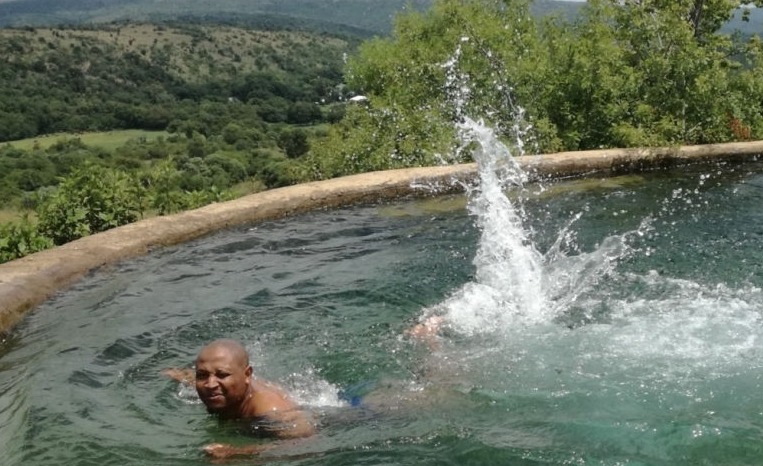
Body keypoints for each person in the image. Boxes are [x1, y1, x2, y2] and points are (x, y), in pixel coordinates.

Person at [163, 339, 315, 459]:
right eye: (202, 375)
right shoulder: (217, 386)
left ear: (247, 375)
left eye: (222, 375)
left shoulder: (269, 410)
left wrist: (237, 452)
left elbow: (304, 443)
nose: (210, 385)